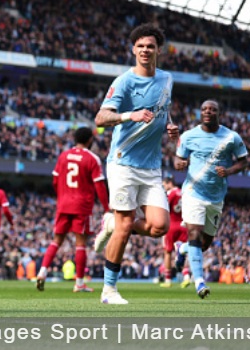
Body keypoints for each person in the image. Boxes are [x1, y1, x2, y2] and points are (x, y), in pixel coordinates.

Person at [92, 23, 180, 305]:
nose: (145, 50)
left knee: (159, 226)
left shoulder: (167, 79)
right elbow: (100, 118)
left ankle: (111, 221)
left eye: (150, 46)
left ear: (158, 50)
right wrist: (129, 115)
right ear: (133, 49)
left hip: (152, 167)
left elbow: (163, 108)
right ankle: (109, 290)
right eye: (140, 46)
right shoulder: (124, 82)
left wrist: (169, 126)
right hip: (123, 163)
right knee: (126, 224)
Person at [174, 99, 248, 299]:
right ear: (200, 113)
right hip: (192, 192)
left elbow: (243, 161)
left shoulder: (231, 137)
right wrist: (179, 164)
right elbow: (178, 158)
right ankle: (199, 282)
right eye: (204, 109)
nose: (208, 111)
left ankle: (182, 250)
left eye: (212, 109)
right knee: (194, 236)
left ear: (218, 113)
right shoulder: (189, 136)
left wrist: (229, 170)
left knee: (204, 244)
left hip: (216, 196)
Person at [36, 127, 109, 293]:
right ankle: (80, 283)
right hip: (81, 206)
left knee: (56, 241)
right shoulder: (92, 158)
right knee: (80, 244)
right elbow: (100, 186)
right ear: (90, 140)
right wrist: (106, 208)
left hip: (63, 204)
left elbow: (55, 181)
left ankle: (42, 272)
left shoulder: (63, 156)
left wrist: (62, 196)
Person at [160, 175, 189, 288]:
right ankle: (186, 276)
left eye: (164, 185)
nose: (164, 187)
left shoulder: (170, 194)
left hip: (171, 225)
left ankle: (168, 280)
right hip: (183, 225)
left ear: (169, 183)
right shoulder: (183, 193)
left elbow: (164, 207)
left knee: (168, 252)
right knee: (182, 252)